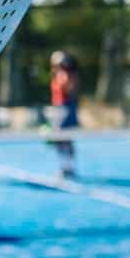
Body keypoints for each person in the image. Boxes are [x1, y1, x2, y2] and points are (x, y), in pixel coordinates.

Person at [49, 50, 80, 178]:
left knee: (64, 138)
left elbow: (70, 90)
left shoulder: (67, 75)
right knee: (60, 139)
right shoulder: (58, 74)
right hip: (59, 108)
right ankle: (66, 166)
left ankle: (68, 167)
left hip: (65, 108)